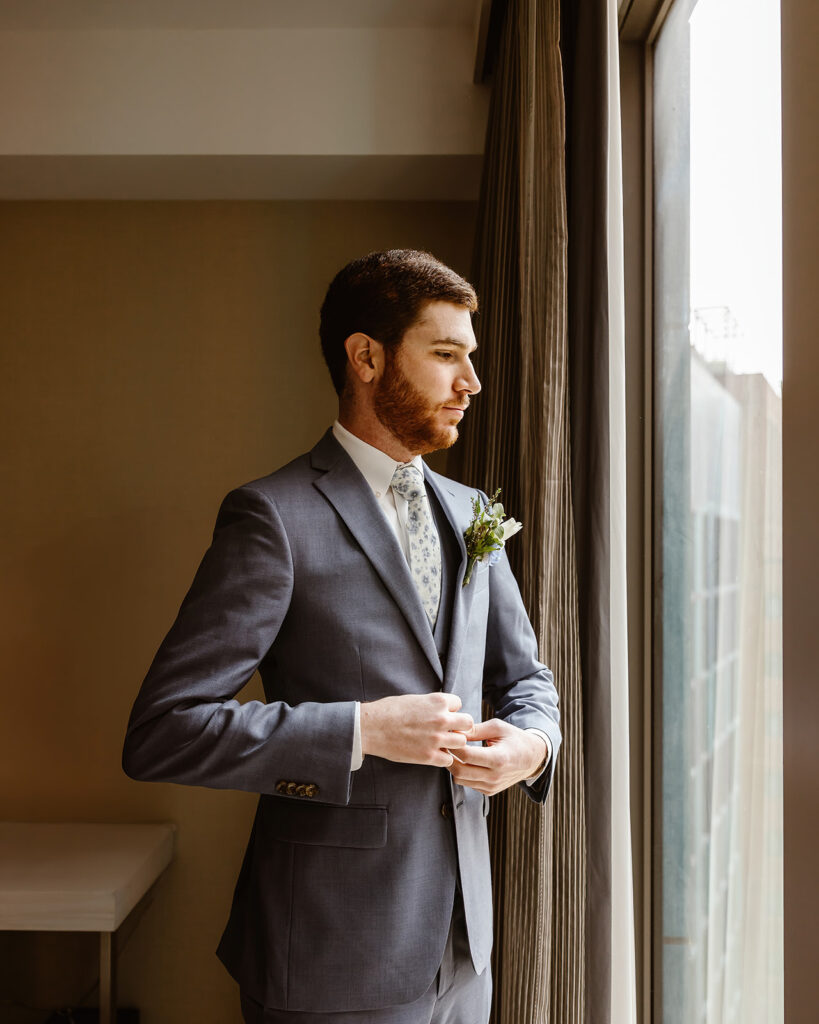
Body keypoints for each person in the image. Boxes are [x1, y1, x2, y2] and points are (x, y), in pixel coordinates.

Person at [122, 249, 561, 1024]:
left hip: (466, 950)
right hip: (331, 951)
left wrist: (531, 747)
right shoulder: (273, 517)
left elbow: (525, 679)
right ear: (366, 356)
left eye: (472, 358)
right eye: (446, 355)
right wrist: (362, 730)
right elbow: (164, 731)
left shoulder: (469, 513)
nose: (472, 383)